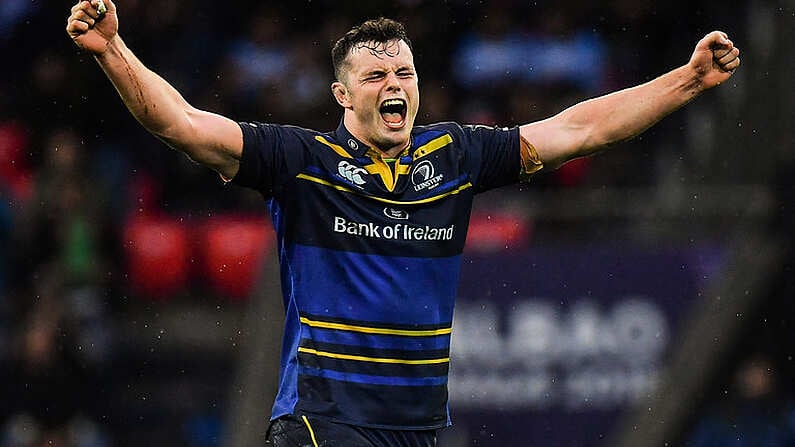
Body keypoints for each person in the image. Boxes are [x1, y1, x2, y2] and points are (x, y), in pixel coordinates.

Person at [66, 1, 740, 446]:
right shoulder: (298, 160)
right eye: (375, 74)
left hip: (417, 428)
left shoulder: (455, 155)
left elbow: (578, 128)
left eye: (405, 70)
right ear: (341, 94)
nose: (395, 82)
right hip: (320, 421)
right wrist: (112, 49)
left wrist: (684, 81)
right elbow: (177, 122)